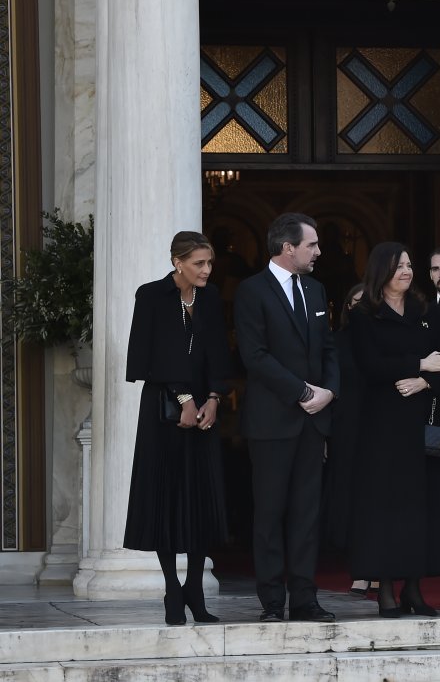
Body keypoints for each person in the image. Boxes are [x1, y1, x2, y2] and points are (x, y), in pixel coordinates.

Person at [235, 212, 339, 623]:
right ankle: (272, 603)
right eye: (311, 245)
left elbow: (329, 348)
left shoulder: (316, 289)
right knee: (270, 514)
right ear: (287, 247)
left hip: (313, 421)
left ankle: (305, 599)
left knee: (306, 516)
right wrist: (302, 392)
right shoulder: (251, 290)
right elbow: (254, 355)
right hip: (272, 422)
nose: (318, 252)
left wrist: (329, 392)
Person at [124, 231, 232, 626]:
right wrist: (183, 397)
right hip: (163, 410)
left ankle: (194, 589)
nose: (207, 270)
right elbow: (147, 352)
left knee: (200, 499)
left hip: (204, 410)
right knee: (166, 497)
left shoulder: (210, 297)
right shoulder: (151, 295)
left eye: (209, 262)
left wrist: (215, 398)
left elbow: (219, 350)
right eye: (199, 263)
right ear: (178, 262)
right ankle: (172, 588)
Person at [346, 243, 440, 616]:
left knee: (419, 507)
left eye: (408, 264)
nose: (407, 271)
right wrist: (418, 364)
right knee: (385, 507)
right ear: (382, 271)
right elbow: (369, 365)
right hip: (381, 426)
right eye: (398, 266)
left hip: (420, 422)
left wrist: (424, 381)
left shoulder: (425, 310)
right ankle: (386, 589)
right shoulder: (364, 315)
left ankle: (414, 589)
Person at [324, 284, 370, 597]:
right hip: (345, 429)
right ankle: (360, 570)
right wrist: (325, 434)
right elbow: (327, 387)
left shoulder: (385, 339)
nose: (361, 307)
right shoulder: (335, 342)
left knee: (378, 499)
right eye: (355, 303)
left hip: (381, 427)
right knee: (351, 500)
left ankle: (377, 569)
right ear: (347, 308)